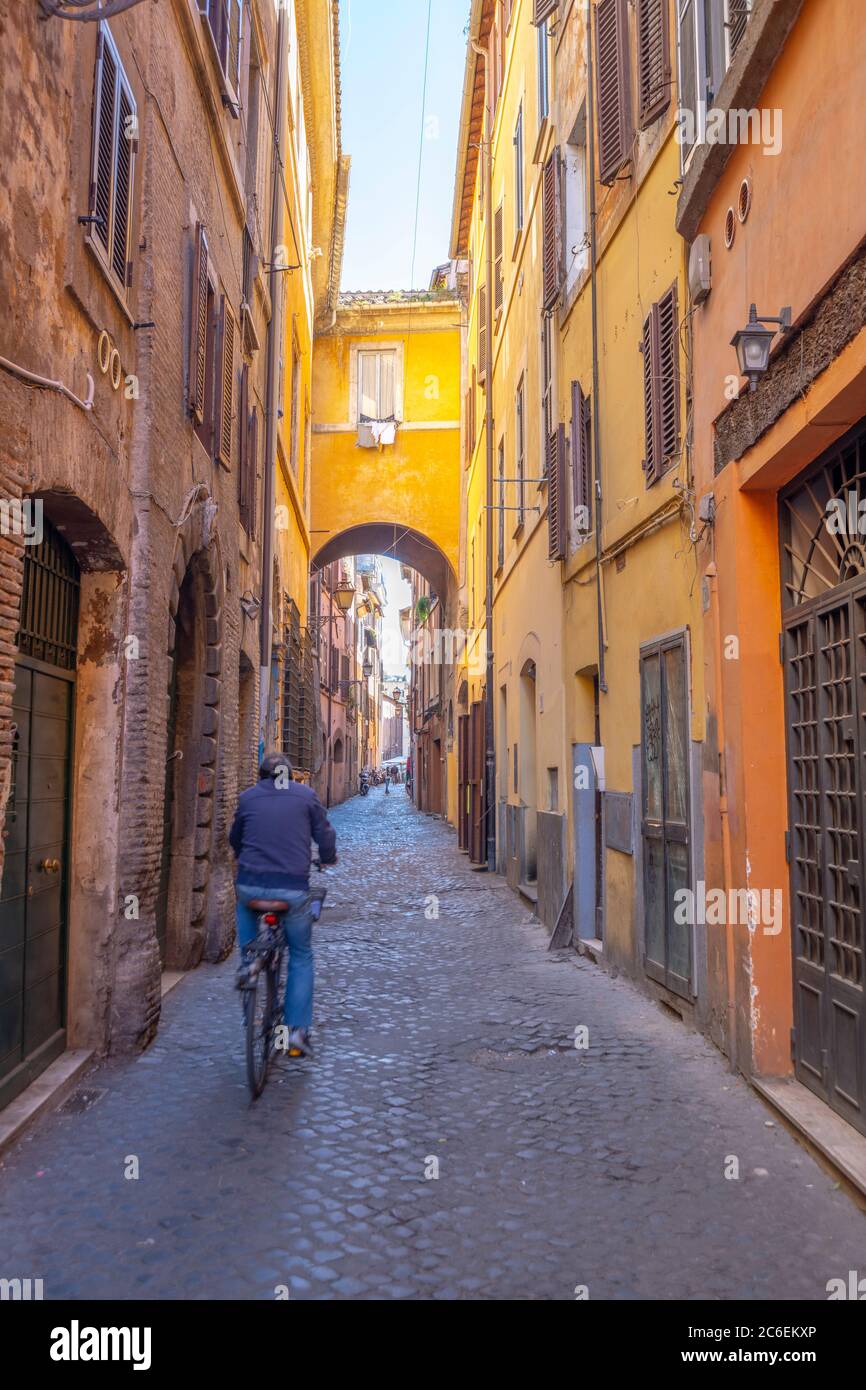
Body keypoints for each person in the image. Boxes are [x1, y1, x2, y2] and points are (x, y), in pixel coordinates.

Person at [229, 751, 337, 1057]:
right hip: (291, 890)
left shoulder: (248, 798)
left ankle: (250, 965)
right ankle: (297, 1033)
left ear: (261, 776)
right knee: (301, 954)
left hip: (251, 887)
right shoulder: (306, 796)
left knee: (247, 926)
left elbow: (235, 838)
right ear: (291, 776)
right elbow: (325, 836)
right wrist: (327, 858)